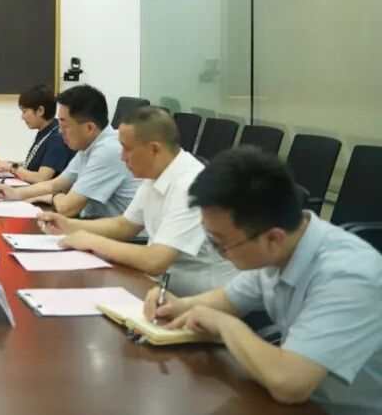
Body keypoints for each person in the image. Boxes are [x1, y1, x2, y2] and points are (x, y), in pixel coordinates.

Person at [144, 148, 382, 413]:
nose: (216, 251)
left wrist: (225, 325)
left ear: (273, 239)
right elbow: (228, 299)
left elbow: (289, 384)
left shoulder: (348, 276)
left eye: (220, 243)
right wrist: (178, 305)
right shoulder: (283, 245)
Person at [36, 106, 237, 296]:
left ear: (154, 149)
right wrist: (69, 225)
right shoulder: (156, 174)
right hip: (160, 290)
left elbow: (155, 260)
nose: (122, 157)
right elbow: (124, 226)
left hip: (200, 302)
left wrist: (92, 241)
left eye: (127, 149)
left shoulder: (189, 186)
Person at [0, 84, 139, 218]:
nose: (59, 131)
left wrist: (54, 196)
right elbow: (56, 184)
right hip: (94, 225)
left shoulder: (107, 150)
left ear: (89, 128)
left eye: (65, 125)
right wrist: (15, 193)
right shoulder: (89, 145)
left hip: (116, 235)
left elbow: (67, 208)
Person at [0, 83, 75, 183]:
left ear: (40, 111)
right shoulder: (46, 130)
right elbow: (33, 165)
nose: (22, 117)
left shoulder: (57, 138)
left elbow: (41, 178)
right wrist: (6, 164)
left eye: (24, 111)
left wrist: (12, 168)